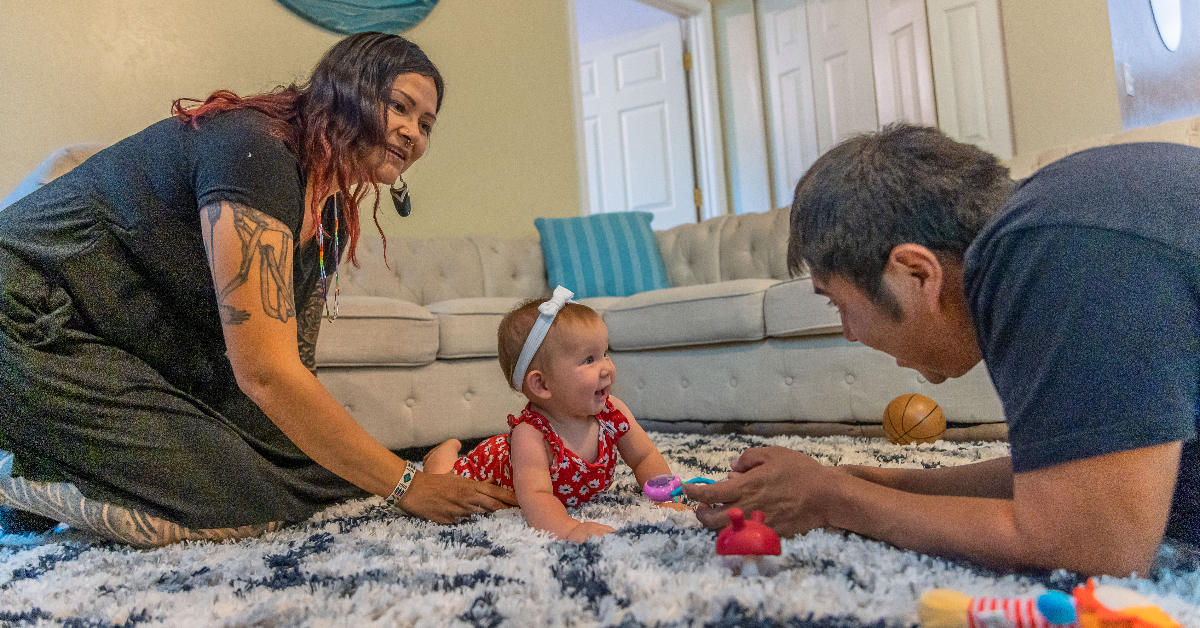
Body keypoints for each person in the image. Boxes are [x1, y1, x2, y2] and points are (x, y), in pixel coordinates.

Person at [0, 32, 517, 546]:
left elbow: (293, 367)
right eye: (400, 107)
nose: (413, 133)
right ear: (345, 88)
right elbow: (266, 373)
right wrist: (406, 486)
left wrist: (384, 473)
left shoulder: (331, 215)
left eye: (426, 124)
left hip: (100, 345)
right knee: (220, 503)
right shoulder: (258, 150)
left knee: (308, 477)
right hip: (22, 316)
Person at [684, 124, 1199, 577]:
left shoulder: (1058, 254)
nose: (848, 332)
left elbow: (1091, 544)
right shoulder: (1050, 228)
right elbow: (1075, 479)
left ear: (916, 274)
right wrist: (865, 478)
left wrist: (833, 500)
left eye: (840, 304)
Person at [423, 287, 686, 541]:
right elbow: (537, 496)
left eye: (604, 353)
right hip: (489, 467)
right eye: (589, 360)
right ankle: (443, 453)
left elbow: (644, 457)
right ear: (542, 385)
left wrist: (666, 501)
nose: (606, 368)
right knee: (445, 479)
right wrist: (568, 528)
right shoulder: (531, 435)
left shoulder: (612, 412)